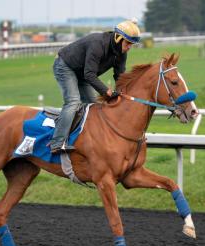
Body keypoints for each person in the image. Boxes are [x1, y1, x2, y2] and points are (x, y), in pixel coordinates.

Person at [49, 19, 141, 154]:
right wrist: (107, 92)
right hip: (65, 66)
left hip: (83, 72)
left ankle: (85, 140)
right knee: (73, 102)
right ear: (118, 38)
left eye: (131, 44)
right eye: (128, 43)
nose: (129, 47)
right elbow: (89, 75)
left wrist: (124, 92)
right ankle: (57, 143)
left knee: (95, 106)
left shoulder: (122, 53)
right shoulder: (98, 44)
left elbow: (120, 76)